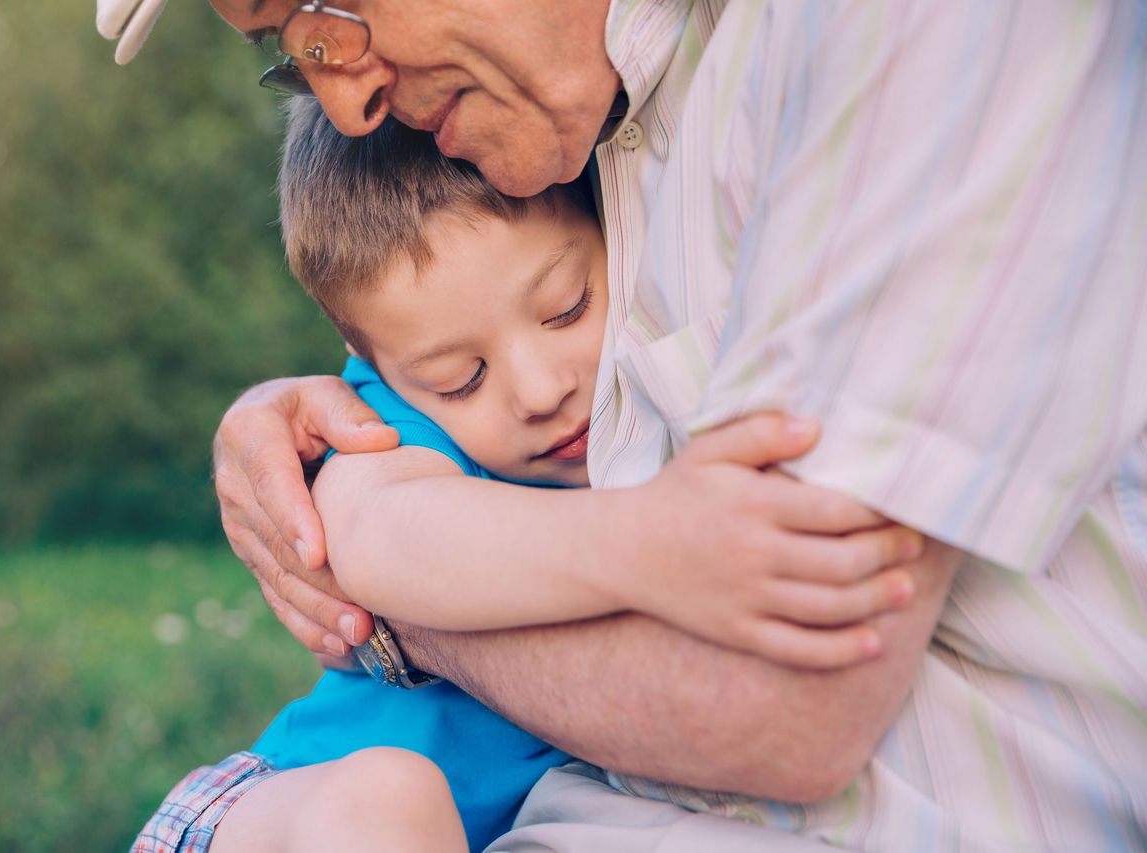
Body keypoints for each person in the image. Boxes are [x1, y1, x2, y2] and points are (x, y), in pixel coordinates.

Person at [103, 0, 1147, 848]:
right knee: (378, 807)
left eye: (330, 13)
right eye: (291, 55)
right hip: (302, 804)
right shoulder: (571, 124)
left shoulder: (873, 48)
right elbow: (372, 509)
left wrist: (391, 619)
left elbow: (784, 707)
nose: (348, 97)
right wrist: (649, 543)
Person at [134, 98, 920, 853]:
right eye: (459, 378)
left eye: (566, 308)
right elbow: (380, 535)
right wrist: (653, 538)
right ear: (378, 371)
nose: (541, 390)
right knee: (390, 799)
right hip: (276, 814)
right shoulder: (394, 428)